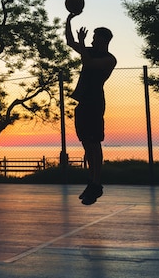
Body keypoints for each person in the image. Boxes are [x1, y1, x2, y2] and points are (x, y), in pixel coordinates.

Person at [65, 12, 116, 205]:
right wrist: (69, 20)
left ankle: (97, 182)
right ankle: (91, 181)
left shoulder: (109, 59)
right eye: (92, 38)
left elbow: (88, 63)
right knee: (86, 144)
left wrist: (82, 43)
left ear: (103, 41)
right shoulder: (91, 51)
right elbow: (70, 42)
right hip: (83, 103)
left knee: (95, 145)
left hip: (95, 103)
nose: (92, 41)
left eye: (95, 39)